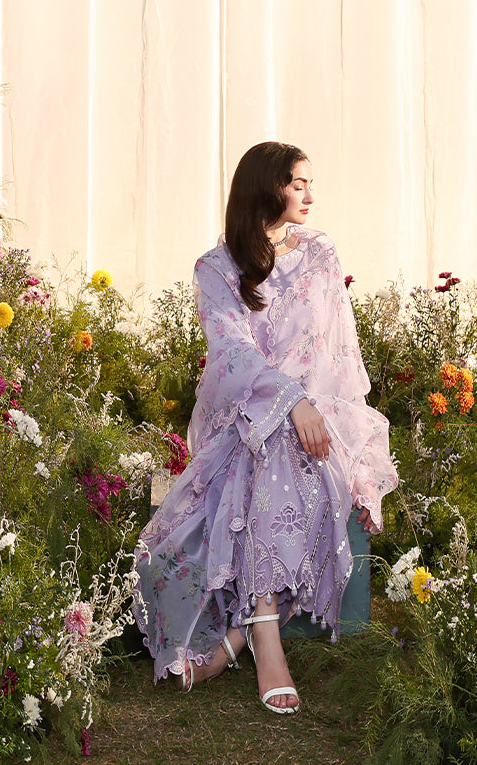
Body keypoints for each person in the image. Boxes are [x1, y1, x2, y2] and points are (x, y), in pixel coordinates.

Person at [133, 141, 397, 715]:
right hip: (243, 417)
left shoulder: (320, 254)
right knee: (273, 435)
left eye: (309, 183)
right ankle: (263, 633)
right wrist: (289, 401)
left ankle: (245, 634)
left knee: (287, 443)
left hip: (320, 416)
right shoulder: (216, 268)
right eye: (298, 183)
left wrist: (329, 425)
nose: (309, 195)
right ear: (266, 187)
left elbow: (338, 350)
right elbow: (231, 352)